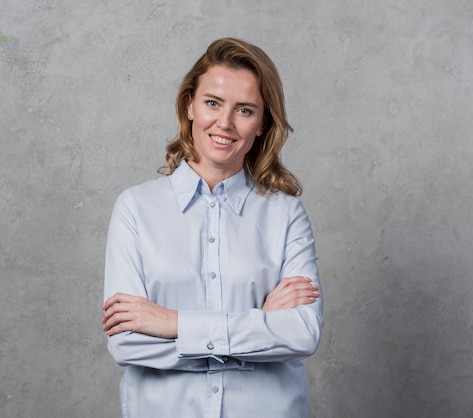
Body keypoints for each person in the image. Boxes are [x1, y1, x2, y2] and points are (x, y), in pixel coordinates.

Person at [101, 37, 323, 418]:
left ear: (263, 121)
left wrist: (173, 323)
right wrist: (261, 327)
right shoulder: (135, 208)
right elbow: (127, 344)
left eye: (245, 109)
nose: (225, 123)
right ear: (189, 105)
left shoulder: (286, 215)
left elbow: (302, 334)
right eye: (213, 103)